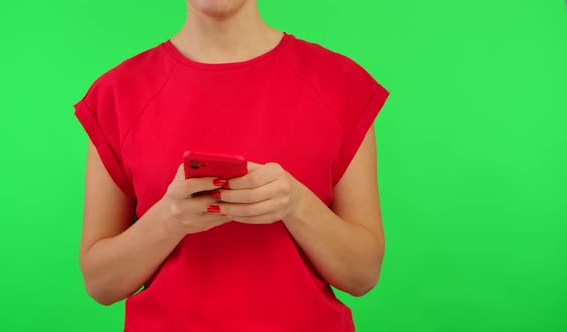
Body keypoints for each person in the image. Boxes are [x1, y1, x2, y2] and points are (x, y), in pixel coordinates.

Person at [73, 0, 390, 331]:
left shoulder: (340, 83)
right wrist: (169, 218)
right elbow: (100, 284)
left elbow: (363, 274)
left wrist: (295, 204)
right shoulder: (116, 95)